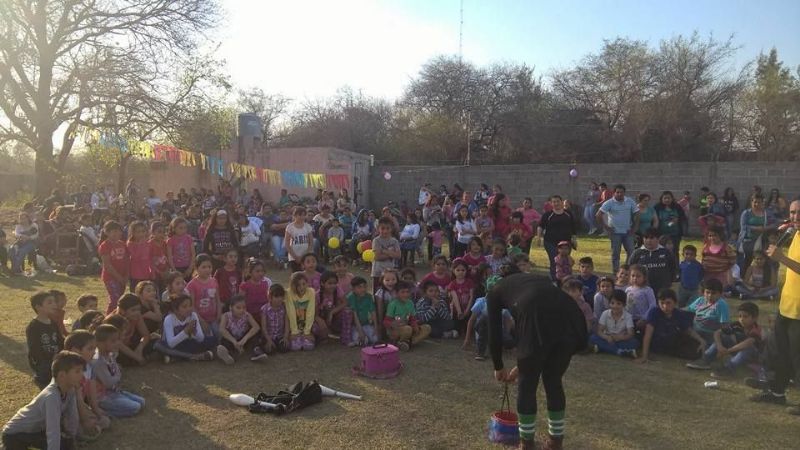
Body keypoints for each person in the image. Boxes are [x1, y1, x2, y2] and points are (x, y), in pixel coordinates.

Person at [488, 270, 588, 449]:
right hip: (570, 315)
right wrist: (523, 363)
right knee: (553, 379)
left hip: (537, 316)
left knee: (527, 384)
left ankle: (526, 444)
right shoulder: (534, 280)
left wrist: (498, 365)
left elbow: (494, 330)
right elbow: (535, 332)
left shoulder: (496, 290)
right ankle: (555, 442)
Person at [750, 199, 800, 414]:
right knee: (777, 352)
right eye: (793, 212)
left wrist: (782, 258)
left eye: (799, 212)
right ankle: (776, 392)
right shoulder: (795, 234)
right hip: (787, 305)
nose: (795, 216)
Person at [2, 351, 83, 450]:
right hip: (15, 434)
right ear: (62, 375)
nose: (82, 375)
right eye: (77, 371)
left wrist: (71, 439)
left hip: (36, 430)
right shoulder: (51, 396)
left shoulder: (70, 390)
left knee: (65, 444)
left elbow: (72, 416)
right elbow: (53, 431)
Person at [686, 302, 762, 377]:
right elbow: (717, 332)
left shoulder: (756, 330)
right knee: (724, 338)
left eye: (745, 316)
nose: (741, 319)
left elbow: (747, 343)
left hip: (752, 358)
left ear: (755, 318)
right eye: (740, 316)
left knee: (748, 349)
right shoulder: (737, 325)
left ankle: (729, 368)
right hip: (737, 352)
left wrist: (728, 351)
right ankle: (705, 359)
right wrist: (719, 346)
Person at [635, 289, 706, 363]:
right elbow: (648, 334)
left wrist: (701, 340)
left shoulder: (678, 314)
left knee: (696, 351)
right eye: (662, 303)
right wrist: (644, 356)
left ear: (675, 303)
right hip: (656, 343)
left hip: (671, 343)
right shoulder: (654, 312)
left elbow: (688, 330)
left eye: (668, 303)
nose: (665, 306)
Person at [91, 324, 145, 417]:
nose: (117, 343)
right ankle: (101, 413)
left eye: (117, 340)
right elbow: (108, 382)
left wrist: (116, 375)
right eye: (113, 341)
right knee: (135, 407)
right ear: (100, 343)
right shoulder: (97, 361)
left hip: (113, 391)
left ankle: (119, 399)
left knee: (142, 402)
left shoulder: (110, 355)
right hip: (103, 397)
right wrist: (117, 376)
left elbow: (116, 374)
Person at [155, 294, 216, 363]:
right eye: (184, 307)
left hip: (188, 344)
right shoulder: (169, 319)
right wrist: (186, 331)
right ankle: (195, 356)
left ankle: (177, 358)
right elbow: (171, 343)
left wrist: (195, 332)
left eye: (190, 306)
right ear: (175, 310)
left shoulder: (193, 315)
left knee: (211, 340)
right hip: (173, 346)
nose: (188, 309)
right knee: (158, 345)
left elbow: (200, 338)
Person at [596, 184, 639, 273]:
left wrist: (634, 228)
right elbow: (598, 215)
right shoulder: (609, 203)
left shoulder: (630, 201)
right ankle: (616, 271)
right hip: (615, 232)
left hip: (628, 231)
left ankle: (628, 270)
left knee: (631, 252)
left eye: (622, 192)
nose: (619, 194)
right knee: (616, 253)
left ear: (624, 193)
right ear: (614, 193)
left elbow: (637, 214)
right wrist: (607, 227)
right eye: (617, 192)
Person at [26, 291, 64, 389]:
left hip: (57, 360)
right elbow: (34, 349)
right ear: (38, 307)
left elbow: (60, 341)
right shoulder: (33, 326)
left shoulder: (53, 323)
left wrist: (61, 353)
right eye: (50, 302)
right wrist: (50, 358)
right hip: (43, 364)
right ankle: (41, 380)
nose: (54, 304)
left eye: (54, 302)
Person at [536, 195, 577, 282]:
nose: (556, 203)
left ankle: (567, 280)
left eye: (557, 201)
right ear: (551, 203)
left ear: (561, 202)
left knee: (566, 261)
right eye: (554, 202)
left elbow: (573, 227)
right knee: (555, 261)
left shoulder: (568, 214)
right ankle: (555, 280)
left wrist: (574, 238)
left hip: (566, 243)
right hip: (550, 242)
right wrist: (539, 237)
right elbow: (540, 226)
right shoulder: (548, 215)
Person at [383, 281, 431, 351]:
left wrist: (415, 326)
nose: (405, 294)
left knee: (427, 328)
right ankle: (398, 342)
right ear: (397, 293)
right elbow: (386, 321)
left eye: (407, 292)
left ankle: (408, 343)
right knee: (407, 329)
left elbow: (412, 318)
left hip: (408, 328)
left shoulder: (410, 303)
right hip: (395, 330)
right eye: (402, 292)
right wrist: (393, 324)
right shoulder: (393, 304)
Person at [589, 290, 638, 358]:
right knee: (593, 338)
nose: (615, 306)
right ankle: (619, 351)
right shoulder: (605, 313)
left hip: (620, 340)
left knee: (634, 342)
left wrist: (620, 337)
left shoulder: (628, 316)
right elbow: (599, 331)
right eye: (612, 303)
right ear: (609, 303)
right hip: (607, 338)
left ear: (623, 305)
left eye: (618, 303)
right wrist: (607, 337)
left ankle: (602, 348)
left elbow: (630, 334)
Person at [216, 295, 264, 364]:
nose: (242, 310)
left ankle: (257, 352)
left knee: (255, 335)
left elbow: (256, 327)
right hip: (231, 339)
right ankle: (227, 354)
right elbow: (221, 329)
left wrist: (244, 339)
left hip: (243, 339)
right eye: (238, 308)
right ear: (231, 308)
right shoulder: (226, 316)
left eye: (244, 307)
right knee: (225, 338)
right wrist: (234, 341)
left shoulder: (247, 315)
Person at [628, 228, 676, 295]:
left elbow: (673, 268)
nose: (648, 240)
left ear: (658, 239)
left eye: (651, 238)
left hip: (662, 290)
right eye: (646, 238)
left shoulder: (666, 252)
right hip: (643, 290)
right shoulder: (637, 253)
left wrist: (670, 282)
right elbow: (630, 269)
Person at [737, 194, 777, 273]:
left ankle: (760, 279)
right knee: (747, 262)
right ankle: (744, 278)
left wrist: (765, 228)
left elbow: (774, 224)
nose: (756, 204)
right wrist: (756, 228)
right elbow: (743, 226)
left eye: (759, 202)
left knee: (762, 261)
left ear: (763, 203)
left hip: (763, 241)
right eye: (755, 202)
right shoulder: (746, 213)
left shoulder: (767, 213)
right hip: (748, 241)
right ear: (751, 202)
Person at [185, 254, 222, 341]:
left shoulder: (214, 281)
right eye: (204, 267)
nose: (207, 270)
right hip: (199, 319)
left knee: (218, 334)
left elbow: (218, 300)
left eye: (209, 267)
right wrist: (201, 321)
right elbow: (191, 306)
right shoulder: (192, 285)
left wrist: (219, 314)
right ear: (197, 268)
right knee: (206, 337)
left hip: (213, 318)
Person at [685, 279, 730, 345]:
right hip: (695, 331)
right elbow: (688, 309)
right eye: (707, 292)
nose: (710, 295)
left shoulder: (721, 305)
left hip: (710, 336)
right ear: (704, 292)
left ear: (720, 294)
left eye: (713, 293)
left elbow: (725, 326)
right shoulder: (701, 300)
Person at [654, 191, 688, 270]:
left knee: (674, 252)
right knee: (661, 252)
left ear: (672, 199)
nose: (667, 200)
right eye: (665, 198)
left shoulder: (677, 207)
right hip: (661, 234)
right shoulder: (657, 207)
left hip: (675, 234)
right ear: (661, 199)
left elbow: (683, 219)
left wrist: (677, 222)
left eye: (669, 198)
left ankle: (675, 269)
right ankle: (662, 269)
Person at [286, 272, 316, 351]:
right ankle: (297, 336)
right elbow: (291, 312)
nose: (301, 287)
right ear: (293, 285)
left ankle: (305, 336)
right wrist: (294, 331)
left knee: (308, 346)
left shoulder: (311, 292)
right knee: (295, 347)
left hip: (306, 323)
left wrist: (307, 332)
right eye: (298, 285)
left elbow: (310, 312)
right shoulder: (289, 293)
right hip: (293, 323)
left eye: (304, 284)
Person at [371, 217, 401, 292]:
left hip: (390, 272)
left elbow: (398, 255)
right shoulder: (376, 240)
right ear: (378, 229)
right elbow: (377, 257)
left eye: (388, 228)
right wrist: (391, 253)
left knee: (390, 293)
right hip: (377, 272)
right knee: (378, 293)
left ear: (391, 228)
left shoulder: (394, 241)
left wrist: (384, 251)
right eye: (383, 228)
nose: (385, 231)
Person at [347, 276, 379, 346]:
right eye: (359, 287)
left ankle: (363, 339)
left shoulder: (369, 297)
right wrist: (360, 331)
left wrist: (376, 327)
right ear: (353, 289)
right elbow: (354, 315)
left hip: (366, 324)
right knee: (360, 338)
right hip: (355, 326)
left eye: (364, 286)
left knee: (375, 339)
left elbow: (373, 312)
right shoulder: (351, 297)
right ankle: (359, 340)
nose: (363, 289)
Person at [625, 265, 656, 332]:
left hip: (642, 320)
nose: (635, 278)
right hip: (629, 319)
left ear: (644, 277)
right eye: (633, 276)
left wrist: (644, 318)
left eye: (638, 276)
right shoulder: (628, 289)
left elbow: (652, 305)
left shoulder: (647, 290)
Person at [260, 284, 289, 354]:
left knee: (284, 348)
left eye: (281, 296)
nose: (280, 299)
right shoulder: (265, 309)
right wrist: (269, 340)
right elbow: (263, 327)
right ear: (270, 297)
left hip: (280, 336)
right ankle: (260, 349)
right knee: (270, 350)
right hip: (269, 336)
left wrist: (285, 337)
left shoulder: (284, 307)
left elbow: (287, 324)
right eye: (276, 296)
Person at [448, 259, 475, 334]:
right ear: (453, 271)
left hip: (468, 308)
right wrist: (459, 312)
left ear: (466, 271)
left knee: (468, 328)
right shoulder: (452, 284)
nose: (460, 272)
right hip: (456, 311)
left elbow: (471, 297)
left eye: (463, 270)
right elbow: (455, 298)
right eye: (458, 270)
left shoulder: (470, 282)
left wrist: (467, 311)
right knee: (457, 330)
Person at [285, 207, 314, 273]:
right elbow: (287, 244)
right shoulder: (290, 227)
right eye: (300, 215)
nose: (302, 217)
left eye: (304, 215)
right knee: (296, 276)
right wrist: (295, 257)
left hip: (306, 256)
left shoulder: (308, 226)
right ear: (295, 215)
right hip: (294, 256)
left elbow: (311, 242)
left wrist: (304, 255)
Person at [166, 217, 195, 282]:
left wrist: (190, 268)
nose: (183, 230)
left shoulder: (189, 238)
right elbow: (169, 256)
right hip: (176, 267)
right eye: (180, 228)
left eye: (185, 228)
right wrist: (174, 270)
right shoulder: (170, 240)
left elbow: (193, 254)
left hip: (187, 266)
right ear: (174, 228)